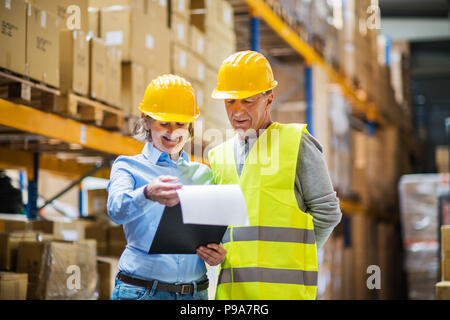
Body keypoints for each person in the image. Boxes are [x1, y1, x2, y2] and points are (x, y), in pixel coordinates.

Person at [205, 51, 342, 300]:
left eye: (247, 101)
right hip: (233, 296)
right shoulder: (218, 156)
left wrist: (298, 256)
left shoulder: (295, 144)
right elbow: (223, 230)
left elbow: (327, 212)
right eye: (229, 101)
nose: (237, 111)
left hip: (284, 294)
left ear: (269, 99)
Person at [107, 74, 226, 300]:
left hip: (194, 294)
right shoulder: (128, 166)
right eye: (164, 123)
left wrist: (216, 254)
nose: (172, 133)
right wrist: (147, 193)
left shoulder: (203, 174)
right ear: (146, 120)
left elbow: (210, 233)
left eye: (180, 124)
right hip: (142, 292)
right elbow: (116, 210)